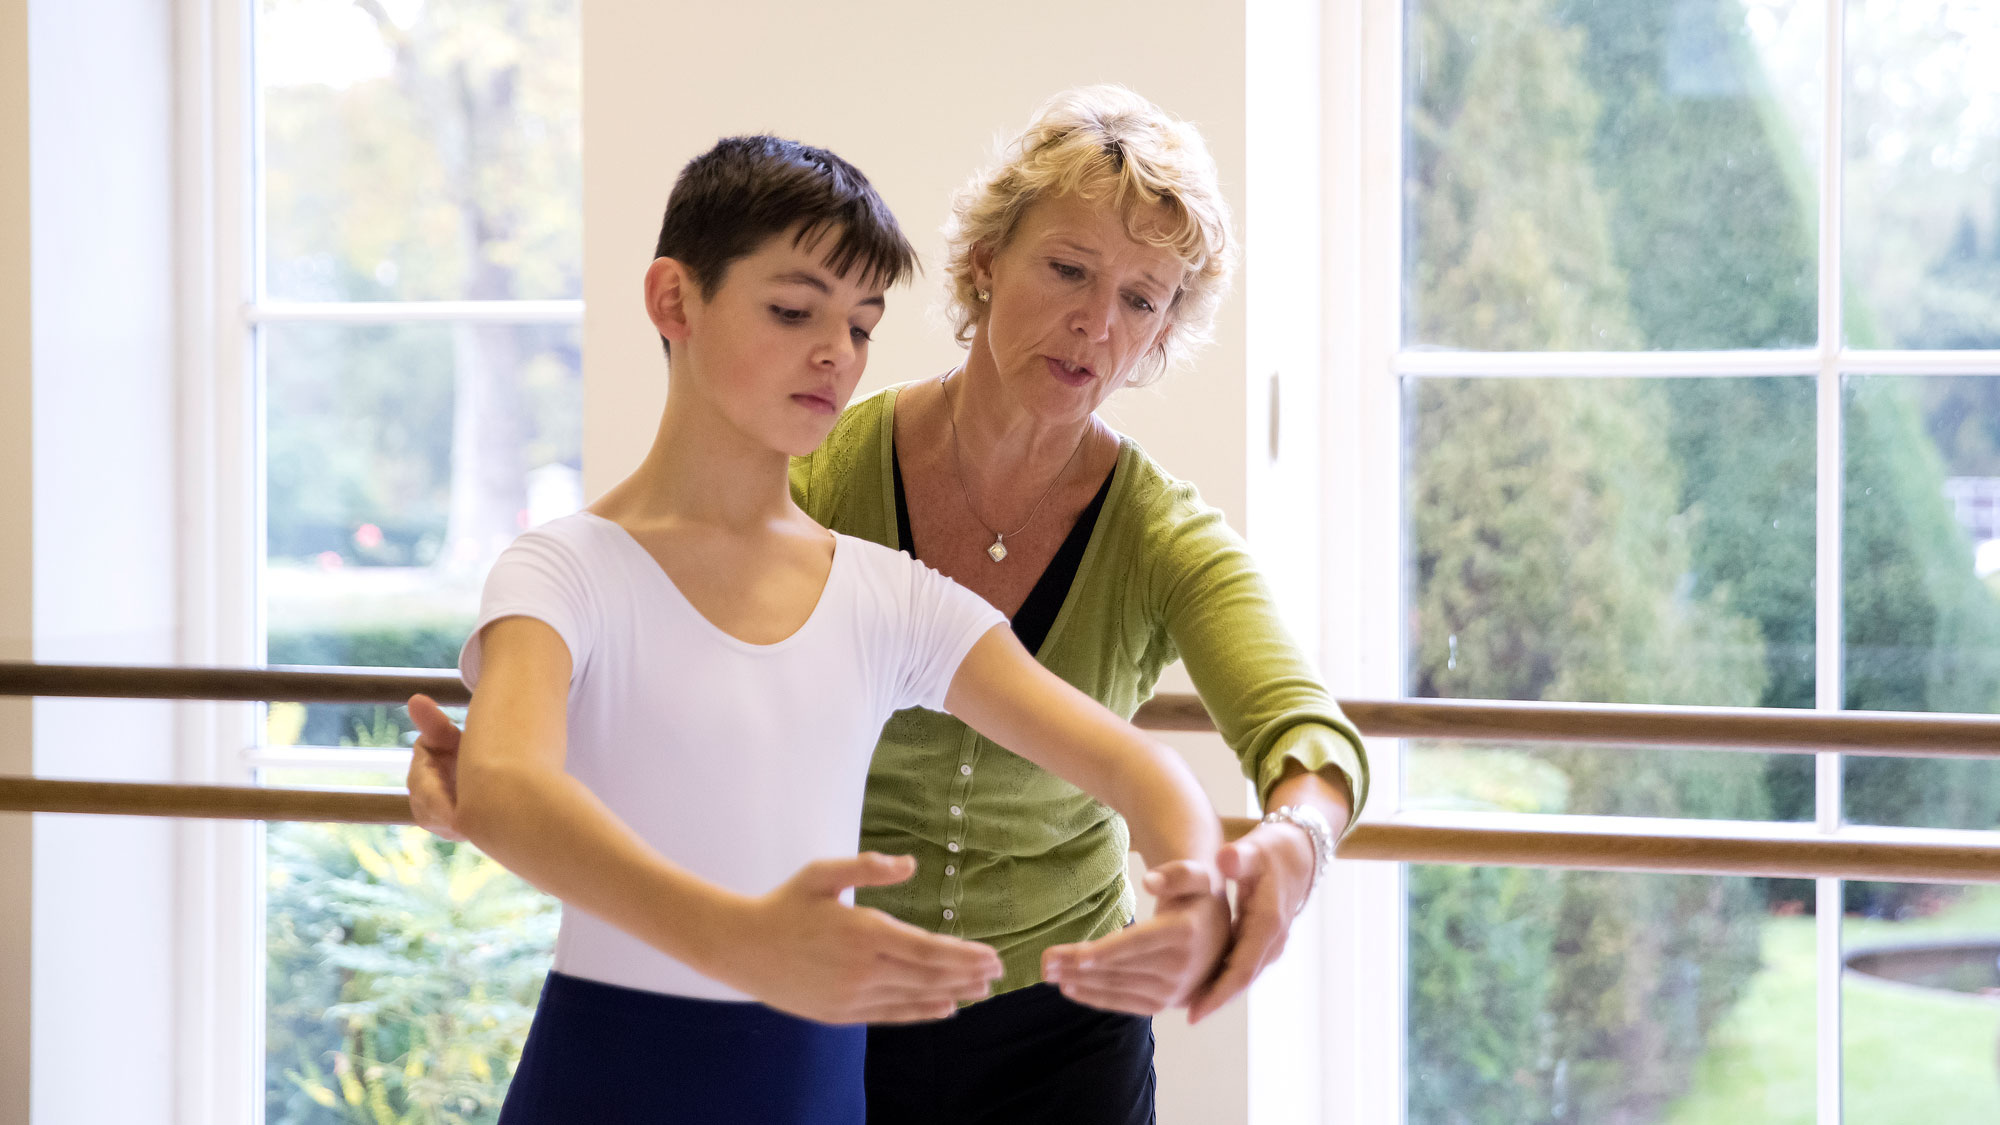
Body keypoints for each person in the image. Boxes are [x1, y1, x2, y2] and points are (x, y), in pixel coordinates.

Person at [411, 86, 1369, 1124]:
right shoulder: (709, 516)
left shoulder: (944, 581)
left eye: (1141, 299)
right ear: (986, 262)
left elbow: (1226, 749)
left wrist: (1223, 872)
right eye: (1067, 270)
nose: (1096, 322)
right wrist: (534, 753)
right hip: (790, 1017)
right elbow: (648, 696)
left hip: (1042, 1031)